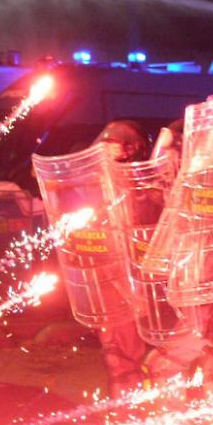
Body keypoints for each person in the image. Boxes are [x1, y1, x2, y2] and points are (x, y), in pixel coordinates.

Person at [92, 120, 153, 398]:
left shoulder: (146, 186)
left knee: (133, 359)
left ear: (132, 150)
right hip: (107, 277)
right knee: (116, 356)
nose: (106, 151)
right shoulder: (96, 187)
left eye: (112, 146)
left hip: (136, 279)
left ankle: (134, 416)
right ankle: (120, 418)